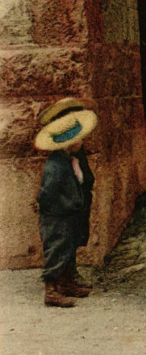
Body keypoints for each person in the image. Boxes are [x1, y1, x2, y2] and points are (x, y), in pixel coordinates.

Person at [34, 98, 98, 308]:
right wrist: (63, 208)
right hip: (59, 215)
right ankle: (51, 289)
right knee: (57, 248)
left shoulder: (72, 159)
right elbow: (49, 193)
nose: (81, 142)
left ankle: (67, 281)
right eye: (78, 140)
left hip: (70, 211)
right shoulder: (56, 165)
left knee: (69, 245)